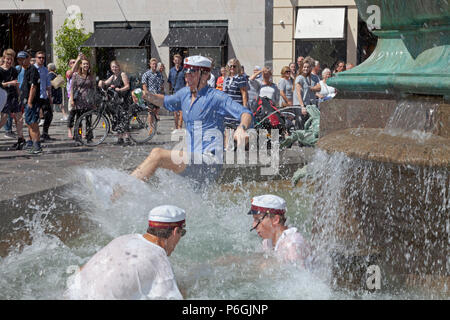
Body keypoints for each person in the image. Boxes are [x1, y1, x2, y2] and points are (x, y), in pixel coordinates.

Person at [130, 55, 252, 183]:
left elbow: (245, 113)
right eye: (186, 73)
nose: (187, 77)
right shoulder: (185, 94)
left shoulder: (216, 97)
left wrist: (241, 128)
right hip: (192, 158)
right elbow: (165, 100)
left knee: (158, 155)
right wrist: (146, 95)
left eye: (192, 73)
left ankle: (124, 189)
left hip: (209, 161)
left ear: (205, 75)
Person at [64, 205, 186, 300]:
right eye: (182, 232)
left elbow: (80, 272)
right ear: (175, 231)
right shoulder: (159, 260)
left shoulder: (123, 239)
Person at [248, 194, 310, 266]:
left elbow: (298, 274)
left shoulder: (292, 245)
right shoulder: (267, 242)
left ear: (275, 220)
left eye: (258, 219)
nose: (254, 226)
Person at [98, 60, 131, 144]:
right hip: (116, 101)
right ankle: (120, 138)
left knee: (124, 118)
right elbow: (105, 83)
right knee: (117, 118)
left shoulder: (122, 74)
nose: (114, 68)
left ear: (119, 67)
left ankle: (127, 137)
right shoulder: (113, 77)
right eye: (113, 67)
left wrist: (119, 89)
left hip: (123, 99)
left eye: (116, 66)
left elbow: (127, 86)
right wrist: (101, 82)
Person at [0, 49, 26, 149]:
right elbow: (1, 85)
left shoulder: (14, 70)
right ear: (4, 58)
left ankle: (21, 139)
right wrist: (9, 83)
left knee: (19, 118)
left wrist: (19, 96)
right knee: (3, 119)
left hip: (13, 96)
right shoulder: (0, 70)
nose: (9, 61)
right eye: (7, 59)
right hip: (3, 96)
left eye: (11, 59)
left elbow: (16, 84)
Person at [21, 50, 42, 154]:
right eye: (19, 59)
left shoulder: (32, 70)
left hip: (32, 102)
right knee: (30, 123)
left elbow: (33, 86)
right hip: (28, 102)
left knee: (33, 124)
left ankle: (37, 146)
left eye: (23, 58)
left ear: (28, 59)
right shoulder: (27, 69)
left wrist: (29, 102)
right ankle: (35, 145)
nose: (21, 61)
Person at [69, 58, 95, 141]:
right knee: (79, 121)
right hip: (79, 101)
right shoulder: (76, 75)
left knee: (88, 121)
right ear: (80, 65)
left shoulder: (90, 76)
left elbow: (92, 89)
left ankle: (89, 137)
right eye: (84, 64)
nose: (86, 65)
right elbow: (72, 88)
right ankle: (78, 137)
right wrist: (72, 99)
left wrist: (93, 101)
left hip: (88, 101)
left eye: (87, 64)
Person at [293, 59, 321, 129]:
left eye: (307, 67)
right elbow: (298, 93)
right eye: (304, 67)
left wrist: (311, 88)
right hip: (300, 104)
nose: (306, 69)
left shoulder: (312, 77)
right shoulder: (299, 78)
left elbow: (319, 88)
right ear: (301, 67)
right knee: (301, 124)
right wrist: (302, 107)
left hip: (309, 104)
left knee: (308, 124)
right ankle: (300, 138)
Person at [34, 51, 54, 142]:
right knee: (35, 117)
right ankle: (35, 136)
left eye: (43, 58)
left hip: (43, 96)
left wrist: (50, 97)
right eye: (39, 57)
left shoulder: (45, 70)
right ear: (36, 58)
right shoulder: (32, 68)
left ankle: (45, 133)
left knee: (49, 115)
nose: (41, 59)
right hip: (34, 96)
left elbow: (48, 85)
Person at [142, 58, 164, 128]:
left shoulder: (159, 74)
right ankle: (151, 127)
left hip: (158, 95)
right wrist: (147, 94)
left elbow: (162, 84)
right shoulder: (146, 74)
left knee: (156, 111)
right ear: (150, 65)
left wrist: (162, 93)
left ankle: (154, 127)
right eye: (153, 64)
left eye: (155, 64)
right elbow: (144, 85)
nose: (154, 65)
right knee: (151, 112)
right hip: (150, 95)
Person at [167, 54, 185, 130]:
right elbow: (169, 82)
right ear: (173, 61)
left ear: (181, 61)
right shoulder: (171, 71)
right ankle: (176, 126)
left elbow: (186, 81)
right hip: (174, 92)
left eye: (178, 60)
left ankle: (180, 126)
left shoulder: (184, 70)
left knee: (181, 110)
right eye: (176, 60)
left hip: (182, 92)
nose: (177, 62)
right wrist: (170, 92)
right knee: (175, 111)